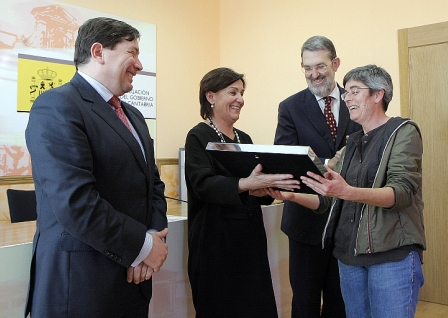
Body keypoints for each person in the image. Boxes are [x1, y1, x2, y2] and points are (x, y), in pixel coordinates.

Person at [25, 17, 168, 317]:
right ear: (99, 51)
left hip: (134, 280)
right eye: (132, 52)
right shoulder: (57, 106)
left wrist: (153, 237)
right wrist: (143, 246)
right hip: (82, 285)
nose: (139, 65)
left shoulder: (134, 116)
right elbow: (76, 204)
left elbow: (152, 184)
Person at [266, 64, 426, 318]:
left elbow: (401, 193)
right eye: (346, 92)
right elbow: (328, 201)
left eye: (354, 91)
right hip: (349, 258)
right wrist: (290, 196)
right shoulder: (351, 143)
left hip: (390, 257)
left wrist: (347, 191)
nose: (346, 98)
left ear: (378, 94)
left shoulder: (402, 131)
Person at [185, 67, 300, 318]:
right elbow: (203, 185)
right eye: (233, 92)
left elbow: (256, 183)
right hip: (214, 244)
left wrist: (268, 188)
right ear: (211, 96)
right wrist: (248, 184)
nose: (240, 99)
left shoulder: (244, 138)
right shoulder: (198, 136)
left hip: (249, 243)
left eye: (242, 93)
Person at [274, 35, 361, 317]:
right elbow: (286, 160)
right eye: (307, 68)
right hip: (305, 223)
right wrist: (331, 163)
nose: (314, 74)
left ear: (335, 63)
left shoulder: (356, 102)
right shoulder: (290, 107)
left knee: (341, 302)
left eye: (320, 66)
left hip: (347, 223)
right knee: (305, 302)